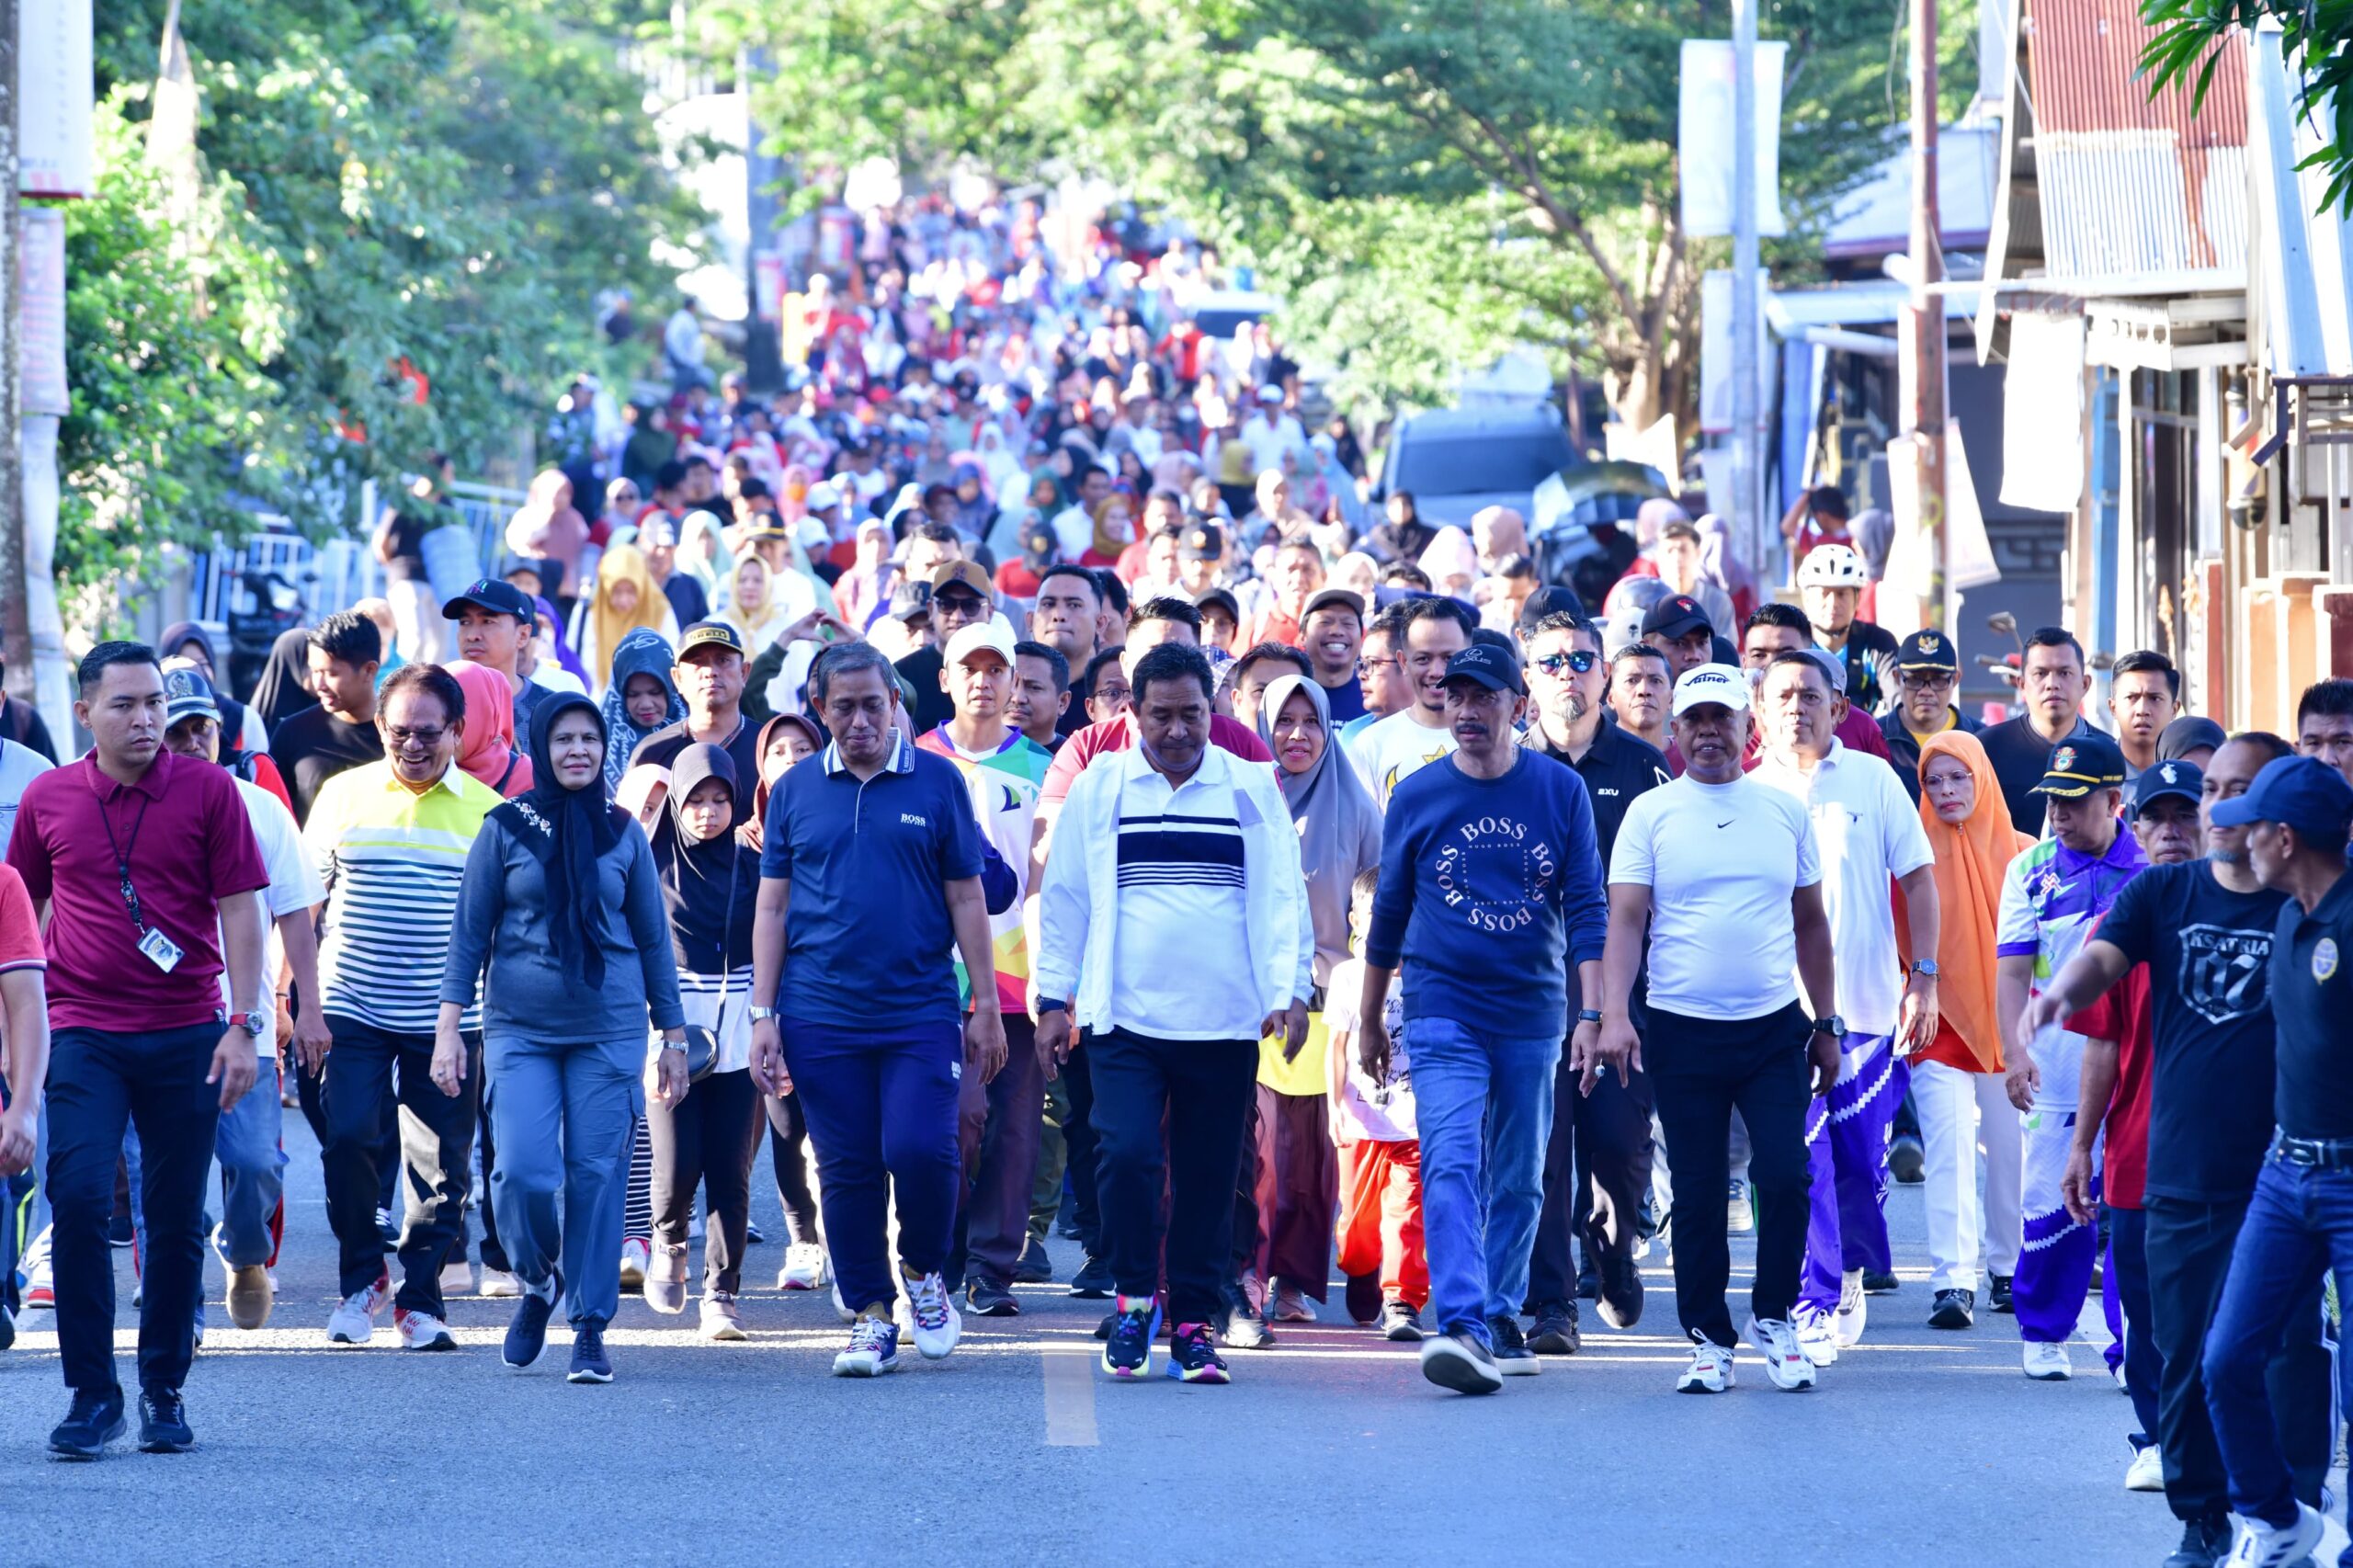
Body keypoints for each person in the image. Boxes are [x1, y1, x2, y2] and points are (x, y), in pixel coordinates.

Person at [2028, 738, 2331, 1560]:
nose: (2216, 813)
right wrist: (2057, 996)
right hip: (2178, 1168)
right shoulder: (2160, 896)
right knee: (2185, 1353)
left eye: (2236, 792)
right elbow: (2099, 980)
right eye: (2210, 797)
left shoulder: (2306, 900)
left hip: (2289, 1170)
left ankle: (2292, 1514)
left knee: (2289, 1348)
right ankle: (2203, 1520)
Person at [18, 642, 269, 1459]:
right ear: (85, 713)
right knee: (83, 1197)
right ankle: (94, 1395)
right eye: (124, 704)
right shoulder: (49, 798)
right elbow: (23, 916)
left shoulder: (209, 791)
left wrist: (244, 1024)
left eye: (155, 702)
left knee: (172, 1217)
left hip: (188, 1033)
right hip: (82, 1030)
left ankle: (163, 1387)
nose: (147, 718)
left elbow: (240, 909)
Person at [1035, 642, 1310, 1385]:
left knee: (1210, 1174)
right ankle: (1131, 1303)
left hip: (1223, 1022)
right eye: (1162, 715)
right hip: (1123, 1019)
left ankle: (1193, 1322)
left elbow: (1285, 892)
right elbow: (1063, 899)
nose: (1180, 729)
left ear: (1211, 710)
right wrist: (1051, 999)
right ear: (1134, 713)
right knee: (1124, 1155)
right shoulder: (1100, 787)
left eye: (1193, 713)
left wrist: (1291, 990)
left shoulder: (1250, 786)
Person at [1349, 642, 1606, 1393]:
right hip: (1442, 1008)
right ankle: (1461, 1321)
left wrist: (1591, 1011)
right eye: (1455, 696)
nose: (1466, 710)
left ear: (1518, 707)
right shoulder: (1418, 795)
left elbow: (1587, 908)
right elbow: (1388, 912)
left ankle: (1499, 1311)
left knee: (1522, 1174)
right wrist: (1370, 1018)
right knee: (1452, 1158)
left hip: (1533, 1010)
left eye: (1483, 696)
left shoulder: (1559, 792)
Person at [748, 642, 1005, 1379]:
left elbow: (966, 896)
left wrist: (983, 1004)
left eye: (873, 704)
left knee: (922, 1150)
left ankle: (924, 1272)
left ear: (895, 702)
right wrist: (764, 1015)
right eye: (842, 707)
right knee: (848, 1167)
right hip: (819, 1014)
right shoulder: (796, 788)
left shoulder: (938, 782)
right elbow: (773, 905)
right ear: (820, 709)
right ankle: (869, 1313)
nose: (859, 720)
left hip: (919, 1009)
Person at [1596, 663, 1839, 1395]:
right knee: (1697, 1192)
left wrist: (1826, 1023)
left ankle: (1776, 1318)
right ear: (1675, 731)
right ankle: (1708, 1338)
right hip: (1681, 1029)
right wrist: (1613, 1014)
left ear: (1746, 727)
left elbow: (1811, 924)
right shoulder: (1653, 814)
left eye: (1721, 719)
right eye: (1694, 720)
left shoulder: (1783, 811)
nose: (1708, 733)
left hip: (1772, 1030)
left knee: (1785, 1176)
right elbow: (1627, 921)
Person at [438, 694, 688, 1385]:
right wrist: (448, 1029)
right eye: (563, 740)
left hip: (608, 1028)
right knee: (521, 1171)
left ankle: (587, 1324)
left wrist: (671, 1034)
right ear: (541, 748)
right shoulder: (504, 827)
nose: (576, 751)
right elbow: (468, 935)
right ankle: (535, 1281)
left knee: (596, 1176)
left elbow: (651, 939)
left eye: (587, 739)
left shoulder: (622, 832)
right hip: (521, 1029)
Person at [1749, 651, 1939, 1364]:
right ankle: (1814, 1299)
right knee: (1804, 1163)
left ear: (1837, 706)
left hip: (1866, 1009)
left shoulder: (1873, 777)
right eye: (1783, 696)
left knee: (1860, 1162)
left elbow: (1920, 880)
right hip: (1779, 1014)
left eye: (1811, 694)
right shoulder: (1747, 792)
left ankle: (1853, 1266)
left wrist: (1924, 975)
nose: (1797, 706)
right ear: (1759, 711)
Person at [307, 665, 504, 1346]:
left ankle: (421, 1300)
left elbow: (497, 929)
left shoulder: (488, 812)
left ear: (457, 730)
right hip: (351, 1002)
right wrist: (289, 998)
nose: (413, 745)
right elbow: (305, 904)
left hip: (449, 1017)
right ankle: (362, 1280)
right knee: (349, 1137)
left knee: (443, 1166)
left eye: (428, 733)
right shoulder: (342, 795)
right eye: (398, 732)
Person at [2196, 756, 2353, 1568]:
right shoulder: (2291, 913)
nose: (2236, 832)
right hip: (2285, 1176)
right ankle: (2278, 1524)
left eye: (2252, 822)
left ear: (2285, 839)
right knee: (2226, 1361)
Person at [144, 667, 326, 1338]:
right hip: (155, 1023)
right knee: (162, 1178)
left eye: (204, 728)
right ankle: (178, 1309)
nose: (193, 742)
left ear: (223, 733)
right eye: (179, 730)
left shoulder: (260, 807)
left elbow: (295, 914)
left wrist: (303, 1006)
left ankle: (246, 1255)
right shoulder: (134, 807)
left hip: (242, 1022)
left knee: (253, 1163)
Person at [1518, 611, 1670, 1346]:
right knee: (1542, 1157)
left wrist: (1634, 1005)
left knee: (1616, 1147)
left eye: (1581, 660)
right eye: (1550, 663)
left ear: (1604, 673)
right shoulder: (1512, 769)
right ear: (1528, 679)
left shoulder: (1645, 770)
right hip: (1531, 1001)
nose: (1568, 674)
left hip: (1622, 1001)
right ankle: (1553, 1305)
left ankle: (1612, 1262)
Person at [1995, 729, 2145, 1381]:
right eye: (2052, 798)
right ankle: (2044, 1328)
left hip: (2136, 1058)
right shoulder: (2029, 870)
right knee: (2052, 1193)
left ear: (2114, 801)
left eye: (2075, 800)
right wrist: (2013, 1051)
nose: (2058, 812)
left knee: (2133, 1204)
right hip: (2057, 1062)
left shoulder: (2152, 870)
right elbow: (2010, 971)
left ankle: (2130, 1344)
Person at [916, 620, 1054, 1317]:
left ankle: (991, 1270)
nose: (982, 680)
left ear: (1012, 683)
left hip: (1017, 979)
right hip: (931, 979)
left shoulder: (1041, 768)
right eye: (967, 668)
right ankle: (935, 1257)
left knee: (1014, 1126)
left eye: (995, 670)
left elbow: (1049, 883)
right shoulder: (913, 762)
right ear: (945, 678)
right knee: (950, 1125)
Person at [1253, 674, 1383, 1326]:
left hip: (1329, 1000)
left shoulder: (1354, 804)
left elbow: (1380, 900)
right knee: (1257, 1150)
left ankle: (1295, 1282)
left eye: (1311, 722)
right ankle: (1246, 1272)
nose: (1297, 735)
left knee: (1311, 1157)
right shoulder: (1245, 797)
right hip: (1255, 1001)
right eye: (1283, 721)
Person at [639, 745, 765, 1342]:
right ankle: (669, 1239)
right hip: (668, 1031)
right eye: (695, 799)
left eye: (720, 799)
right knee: (676, 1163)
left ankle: (722, 1293)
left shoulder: (752, 860)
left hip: (738, 1031)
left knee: (729, 1170)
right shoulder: (647, 858)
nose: (709, 812)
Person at [1905, 732, 2029, 1330]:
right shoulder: (1910, 855)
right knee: (1949, 1152)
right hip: (1939, 1026)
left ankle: (2010, 1270)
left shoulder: (2026, 854)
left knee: (2012, 1154)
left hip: (2012, 1031)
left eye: (1959, 778)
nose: (1948, 790)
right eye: (1935, 780)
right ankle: (1952, 1281)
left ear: (1981, 779)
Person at [1323, 868, 1426, 1339]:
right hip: (1362, 1119)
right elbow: (1336, 1047)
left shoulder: (1426, 974)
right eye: (1374, 915)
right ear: (1355, 921)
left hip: (1412, 1122)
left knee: (1406, 1218)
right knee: (1359, 1226)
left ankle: (1401, 1299)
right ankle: (1361, 1267)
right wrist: (1334, 1108)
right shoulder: (1346, 978)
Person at [1347, 595, 1474, 811]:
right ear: (1403, 662)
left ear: (1470, 656)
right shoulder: (1370, 745)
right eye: (1423, 659)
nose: (1436, 672)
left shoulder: (1505, 742)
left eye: (1449, 658)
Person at [628, 622, 761, 819]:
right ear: (678, 678)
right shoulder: (652, 753)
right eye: (698, 662)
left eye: (723, 660)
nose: (710, 672)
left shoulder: (770, 748)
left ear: (744, 672)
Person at [269, 611, 385, 825]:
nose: (319, 684)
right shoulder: (293, 731)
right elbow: (270, 817)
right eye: (315, 671)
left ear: (369, 671)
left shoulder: (400, 736)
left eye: (331, 673)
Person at [1979, 627, 2097, 836]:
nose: (2052, 684)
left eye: (2065, 673)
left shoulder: (2106, 753)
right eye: (2040, 674)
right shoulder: (1986, 750)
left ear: (2085, 684)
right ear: (2022, 685)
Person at [1878, 630, 1983, 804]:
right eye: (1915, 680)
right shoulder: (1875, 737)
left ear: (1955, 679)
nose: (1926, 691)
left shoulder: (1980, 739)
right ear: (1897, 677)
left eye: (1938, 680)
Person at [895, 561, 996, 735]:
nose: (958, 616)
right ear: (930, 609)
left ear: (990, 612)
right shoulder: (903, 674)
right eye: (947, 605)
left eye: (970, 605)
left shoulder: (1007, 669)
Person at [1794, 545, 1897, 715]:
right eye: (1824, 593)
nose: (1833, 602)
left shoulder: (1879, 643)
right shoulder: (1793, 643)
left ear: (1857, 599)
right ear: (1806, 599)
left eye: (1842, 594)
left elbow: (1897, 701)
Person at [445, 576, 551, 740]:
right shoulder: (439, 703)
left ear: (523, 635)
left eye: (488, 621)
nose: (472, 636)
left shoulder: (548, 710)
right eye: (465, 622)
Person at [374, 455, 457, 664]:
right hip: (407, 577)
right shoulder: (407, 500)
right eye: (449, 473)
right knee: (414, 639)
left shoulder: (446, 505)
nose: (451, 479)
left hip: (437, 582)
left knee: (440, 641)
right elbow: (381, 541)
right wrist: (396, 567)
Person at [578, 543, 682, 692]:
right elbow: (586, 663)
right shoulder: (593, 612)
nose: (623, 600)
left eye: (631, 592)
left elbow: (671, 658)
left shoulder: (660, 610)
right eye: (616, 592)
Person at [597, 629, 688, 794]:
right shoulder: (598, 735)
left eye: (655, 692)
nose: (645, 704)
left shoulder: (695, 731)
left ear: (672, 686)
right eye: (633, 694)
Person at [1029, 564, 1101, 741]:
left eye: (1074, 605)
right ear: (1030, 620)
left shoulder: (1114, 694)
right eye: (1048, 604)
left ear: (1100, 623)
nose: (1059, 615)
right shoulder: (1005, 690)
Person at [444, 661, 532, 797]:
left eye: (453, 718)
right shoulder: (420, 776)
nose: (442, 731)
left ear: (485, 715)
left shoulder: (531, 781)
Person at [2109, 650, 2182, 779]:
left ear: (2174, 709)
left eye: (2155, 699)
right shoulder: (2095, 775)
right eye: (2131, 697)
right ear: (2113, 708)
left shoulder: (2185, 777)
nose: (2142, 710)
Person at [1606, 642, 1674, 755]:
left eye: (1656, 681)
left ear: (1671, 699)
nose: (1644, 690)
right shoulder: (1590, 757)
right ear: (1611, 698)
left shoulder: (1690, 758)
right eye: (1631, 680)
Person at [250, 627, 320, 735]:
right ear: (292, 661)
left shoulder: (329, 714)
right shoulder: (249, 721)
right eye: (313, 667)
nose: (322, 676)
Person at [1010, 640, 1072, 752]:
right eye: (1011, 684)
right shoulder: (971, 753)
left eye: (1034, 687)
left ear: (1063, 702)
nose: (1017, 698)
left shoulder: (1079, 761)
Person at [1640, 594, 1718, 681]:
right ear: (1646, 649)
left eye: (1702, 643)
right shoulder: (1628, 693)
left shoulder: (1730, 691)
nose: (1694, 655)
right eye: (1679, 644)